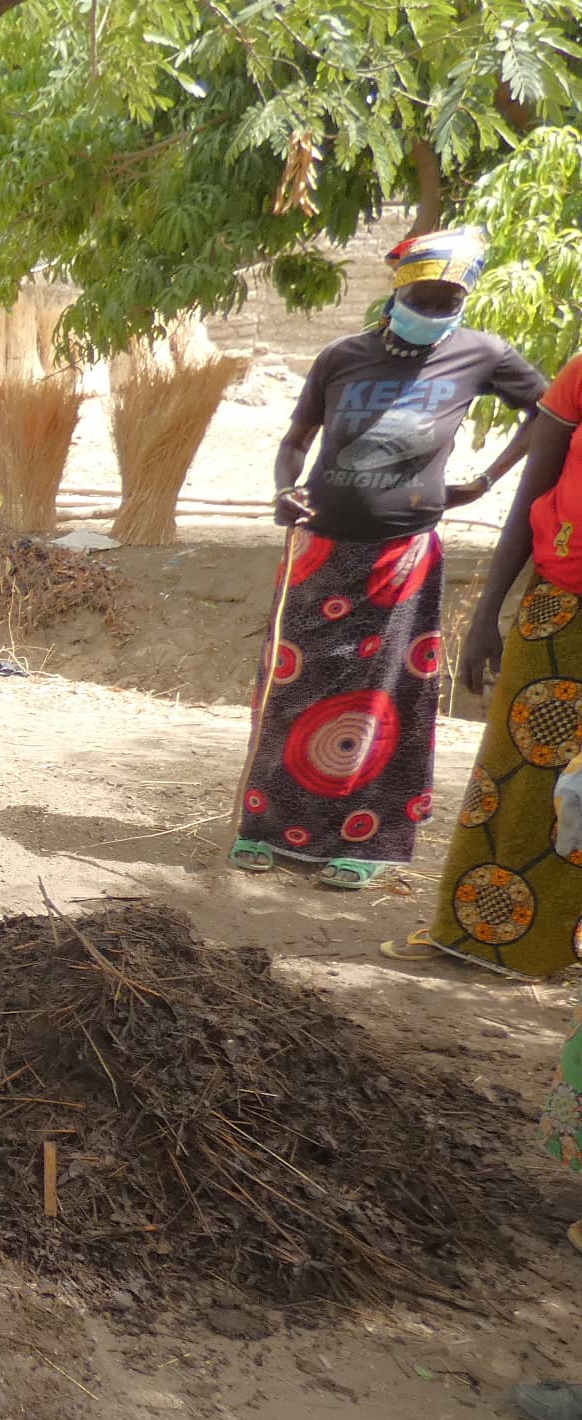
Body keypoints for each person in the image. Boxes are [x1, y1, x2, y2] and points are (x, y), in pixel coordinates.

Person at [235, 226, 543, 891]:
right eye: (422, 298)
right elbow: (296, 440)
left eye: (446, 300)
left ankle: (366, 840)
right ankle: (267, 828)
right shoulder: (342, 357)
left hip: (402, 558)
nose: (432, 310)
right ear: (398, 292)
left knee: (385, 699)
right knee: (294, 686)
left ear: (464, 298)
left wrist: (485, 480)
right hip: (319, 552)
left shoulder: (480, 355)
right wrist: (285, 489)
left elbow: (549, 412)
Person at [386, 346, 582, 972]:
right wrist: (486, 610)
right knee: (516, 780)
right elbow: (536, 487)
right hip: (562, 609)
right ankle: (481, 937)